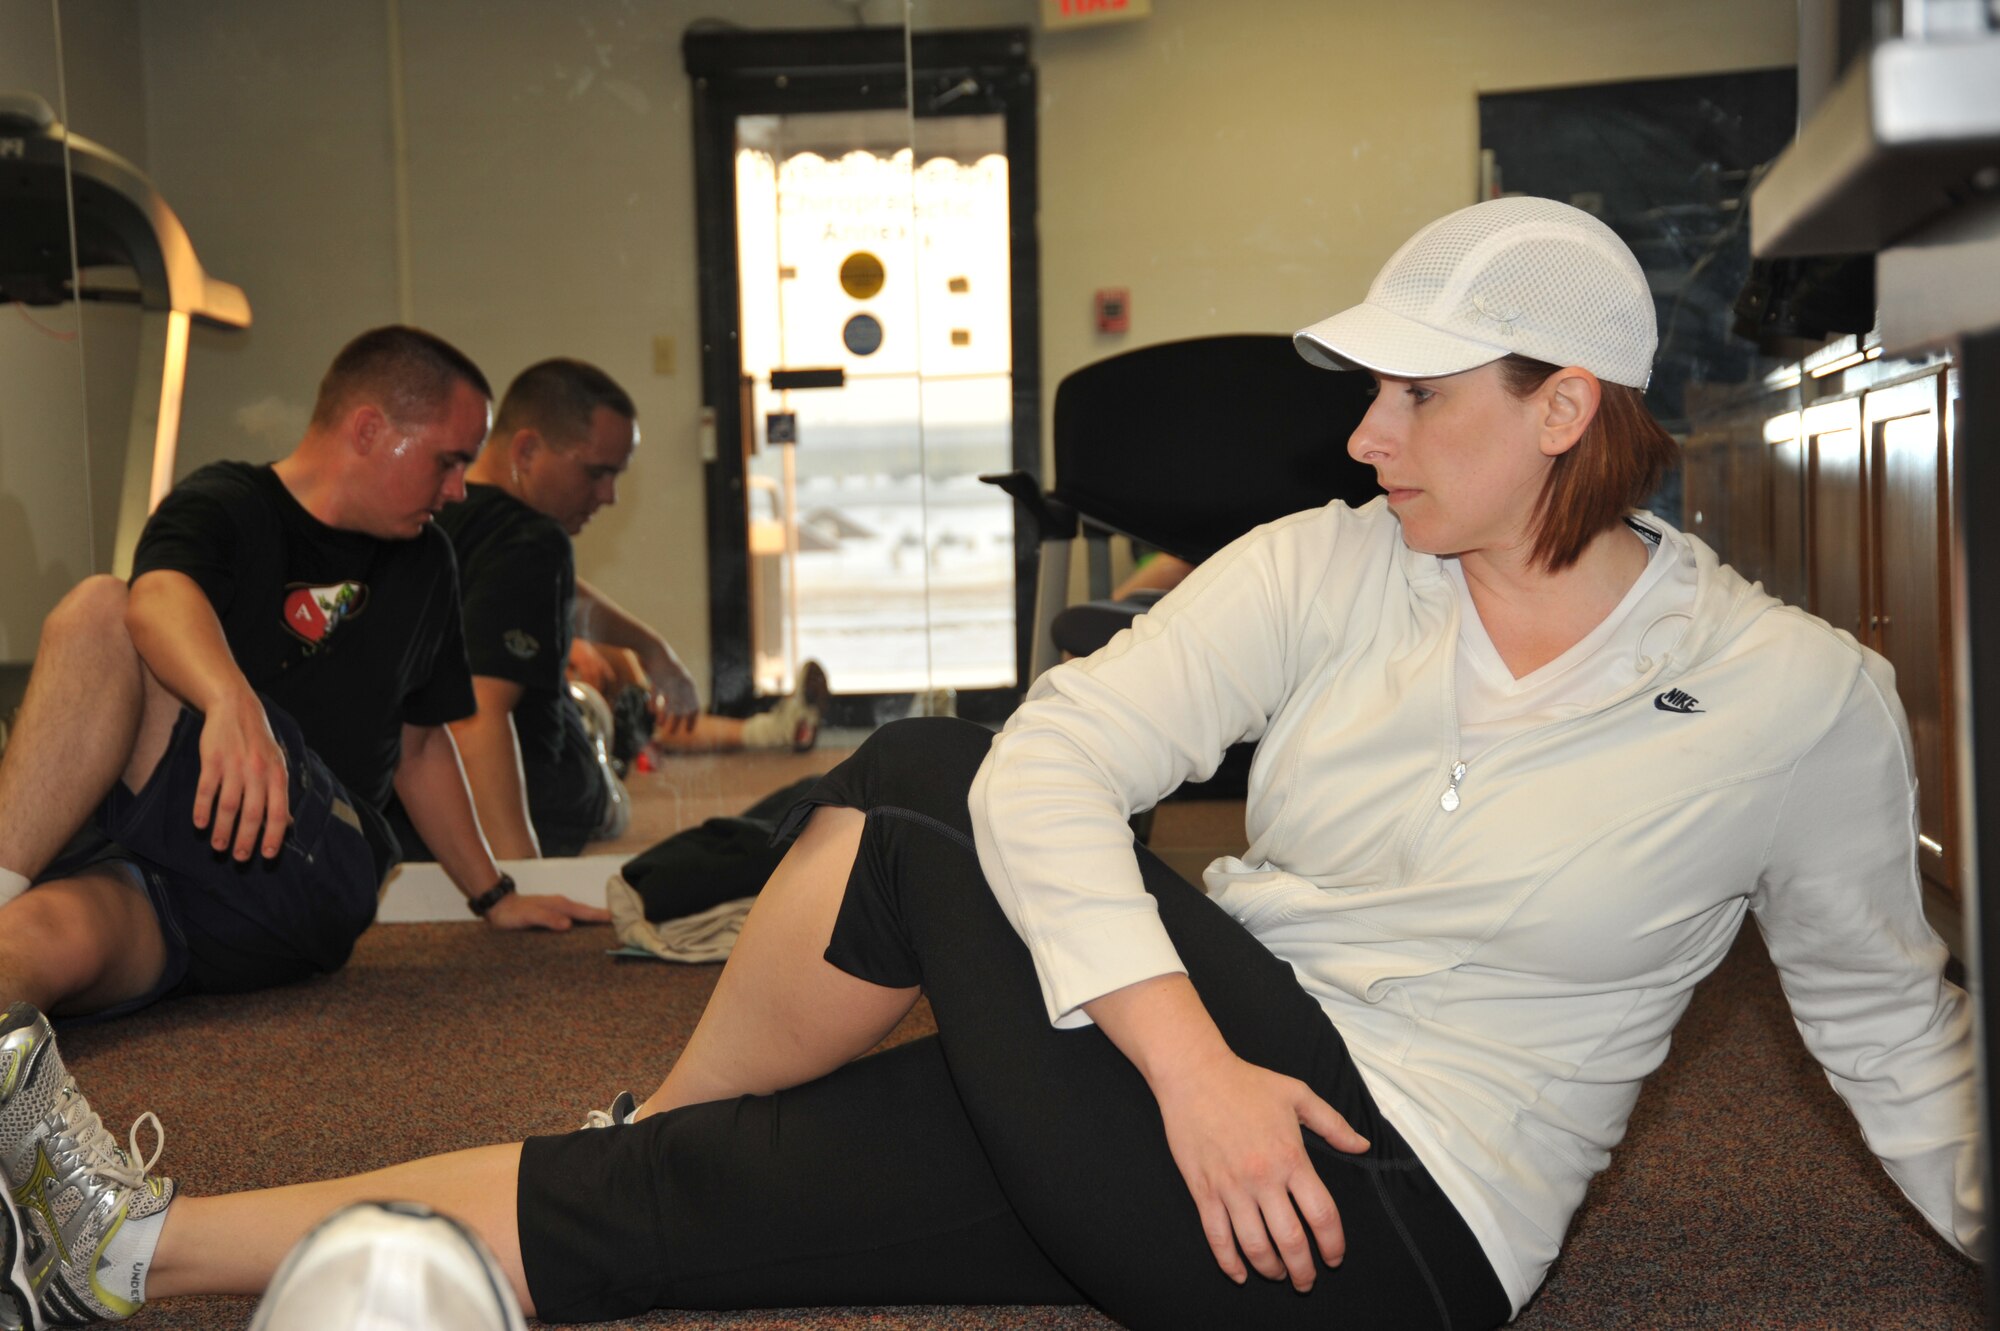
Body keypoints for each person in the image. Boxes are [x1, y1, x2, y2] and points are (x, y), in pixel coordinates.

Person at [0, 199, 1978, 1331]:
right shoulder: (1332, 565)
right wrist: (1188, 1061)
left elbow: (1891, 1025)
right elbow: (1076, 772)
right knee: (683, 1193)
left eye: (1414, 394)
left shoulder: (1793, 692)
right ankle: (127, 1252)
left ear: (1565, 408)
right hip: (1198, 1070)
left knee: (934, 774)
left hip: (1388, 1225)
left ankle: (637, 1113)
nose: (1363, 435)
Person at [0, 326, 608, 1043]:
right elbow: (161, 595)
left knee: (103, 610)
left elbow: (419, 748)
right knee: (28, 944)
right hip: (180, 893)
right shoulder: (227, 501)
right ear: (370, 429)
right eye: (448, 461)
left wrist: (494, 893)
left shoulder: (425, 562)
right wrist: (231, 700)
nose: (457, 489)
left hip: (312, 865)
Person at [385, 357, 831, 862]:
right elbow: (477, 719)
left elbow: (549, 592)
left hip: (408, 819)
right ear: (528, 450)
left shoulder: (439, 514)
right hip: (548, 812)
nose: (609, 496)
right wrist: (519, 878)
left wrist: (651, 648)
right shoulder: (532, 543)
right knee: (785, 810)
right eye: (596, 473)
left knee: (612, 681)